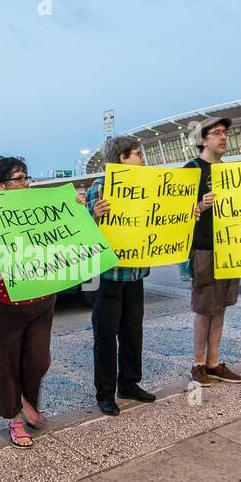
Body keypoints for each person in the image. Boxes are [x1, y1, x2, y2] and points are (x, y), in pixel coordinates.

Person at [0, 157, 87, 446]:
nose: (25, 183)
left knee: (39, 358)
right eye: (18, 179)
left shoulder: (37, 206)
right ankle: (14, 418)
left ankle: (25, 398)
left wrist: (75, 208)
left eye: (25, 178)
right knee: (6, 363)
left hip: (41, 296)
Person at [87, 135, 156, 415]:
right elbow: (87, 231)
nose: (142, 159)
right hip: (107, 277)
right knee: (105, 336)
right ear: (122, 158)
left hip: (135, 274)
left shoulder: (147, 187)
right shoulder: (100, 187)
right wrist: (94, 214)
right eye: (137, 154)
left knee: (132, 332)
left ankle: (128, 383)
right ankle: (104, 392)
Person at [184, 117, 241, 386]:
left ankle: (214, 362)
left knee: (220, 307)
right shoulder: (191, 170)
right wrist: (200, 205)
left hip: (229, 245)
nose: (223, 137)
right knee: (204, 307)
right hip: (204, 246)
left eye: (226, 133)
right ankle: (198, 362)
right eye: (217, 133)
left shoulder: (230, 172)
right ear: (203, 139)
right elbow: (176, 213)